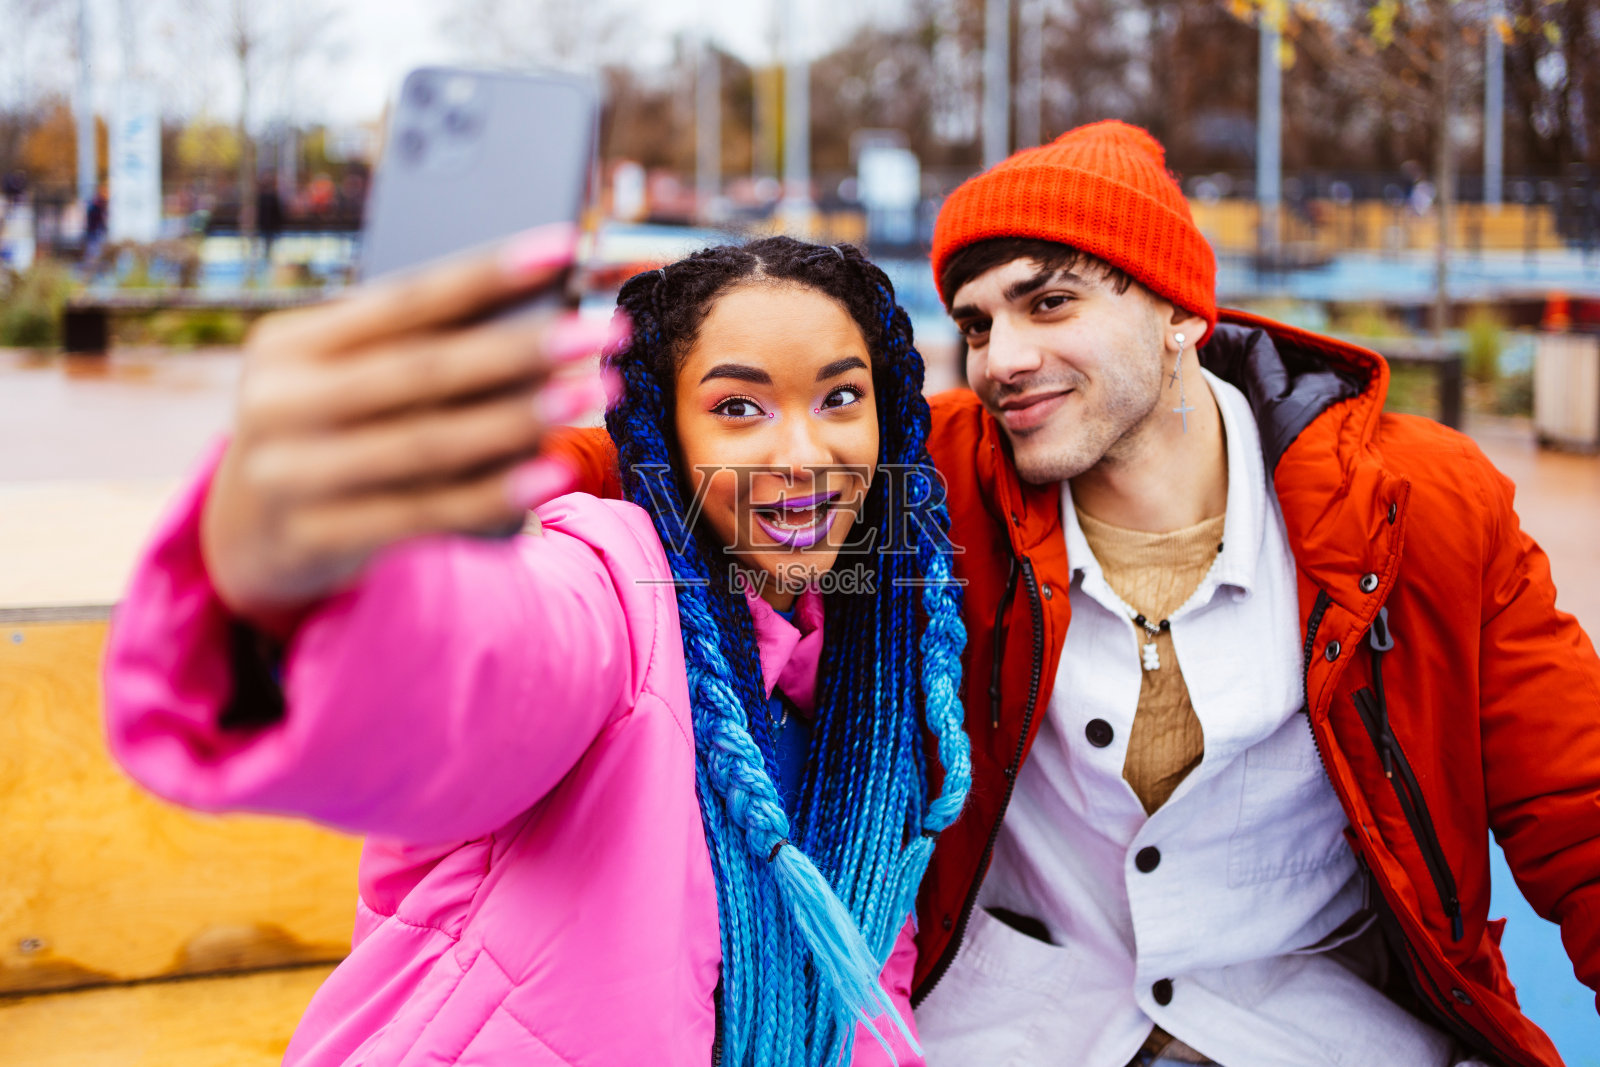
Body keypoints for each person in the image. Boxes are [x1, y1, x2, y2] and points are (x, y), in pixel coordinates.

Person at [553, 122, 1600, 1066]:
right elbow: (649, 460)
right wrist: (443, 480)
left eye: (1049, 300)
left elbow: (1577, 807)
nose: (1003, 357)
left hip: (1317, 1025)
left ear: (1181, 311)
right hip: (1017, 1029)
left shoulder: (1420, 503)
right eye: (977, 321)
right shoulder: (937, 484)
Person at [102, 231, 971, 1066]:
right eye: (737, 407)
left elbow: (865, 1003)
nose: (802, 452)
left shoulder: (871, 705)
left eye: (839, 398)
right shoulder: (613, 586)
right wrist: (297, 564)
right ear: (668, 438)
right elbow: (475, 671)